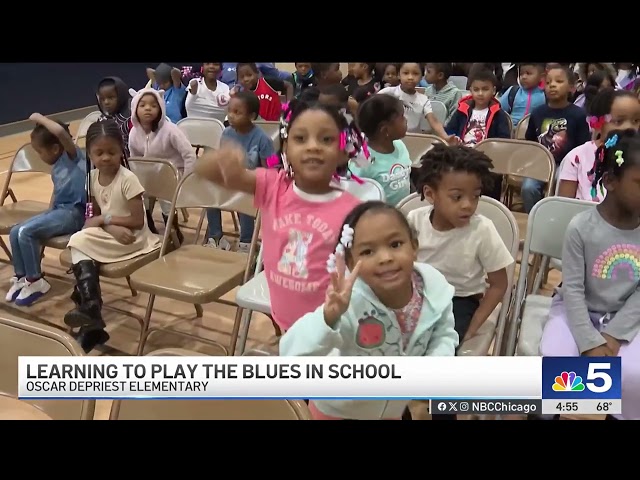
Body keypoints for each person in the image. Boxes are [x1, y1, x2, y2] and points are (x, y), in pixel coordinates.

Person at [195, 99, 367, 333]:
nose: (313, 146)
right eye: (300, 138)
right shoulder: (272, 186)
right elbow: (205, 172)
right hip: (284, 317)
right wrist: (222, 163)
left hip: (330, 326)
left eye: (326, 139)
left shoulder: (355, 212)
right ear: (285, 149)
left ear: (342, 152)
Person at [280, 201, 458, 420]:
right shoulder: (349, 303)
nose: (385, 258)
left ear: (414, 246)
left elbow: (444, 335)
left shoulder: (435, 288)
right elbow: (291, 355)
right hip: (338, 413)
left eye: (395, 244)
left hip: (393, 410)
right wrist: (328, 317)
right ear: (350, 261)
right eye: (367, 251)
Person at [540, 129, 640, 421]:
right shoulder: (581, 227)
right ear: (610, 181)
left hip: (626, 317)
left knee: (633, 377)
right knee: (556, 364)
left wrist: (612, 335)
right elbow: (571, 289)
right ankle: (550, 414)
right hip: (576, 312)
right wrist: (589, 341)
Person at [63, 120, 161, 353]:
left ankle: (92, 313)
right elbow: (93, 218)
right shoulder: (92, 178)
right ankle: (92, 314)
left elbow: (138, 221)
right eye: (99, 153)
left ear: (121, 151)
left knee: (78, 241)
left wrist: (105, 222)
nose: (105, 157)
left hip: (133, 237)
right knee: (80, 239)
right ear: (89, 153)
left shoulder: (128, 179)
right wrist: (105, 225)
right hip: (112, 234)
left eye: (111, 152)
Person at [410, 144, 513, 344]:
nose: (468, 205)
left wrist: (473, 328)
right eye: (457, 197)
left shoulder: (482, 229)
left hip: (460, 300)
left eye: (475, 196)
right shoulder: (414, 220)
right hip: (416, 294)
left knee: (437, 346)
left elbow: (499, 285)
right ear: (430, 194)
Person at [6, 114, 86, 306]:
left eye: (40, 151)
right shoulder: (57, 165)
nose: (39, 156)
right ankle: (22, 277)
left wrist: (40, 118)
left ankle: (36, 281)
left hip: (74, 214)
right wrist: (47, 213)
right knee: (16, 229)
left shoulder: (72, 156)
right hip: (59, 211)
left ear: (56, 148)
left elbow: (60, 132)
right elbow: (58, 192)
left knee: (26, 233)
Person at [205, 91, 274, 252]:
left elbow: (272, 168)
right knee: (210, 193)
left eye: (237, 112)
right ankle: (216, 237)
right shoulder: (226, 133)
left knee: (247, 196)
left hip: (252, 184)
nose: (231, 116)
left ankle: (246, 242)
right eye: (229, 111)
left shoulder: (262, 139)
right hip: (231, 180)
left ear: (252, 116)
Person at [128, 87, 197, 243]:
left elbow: (189, 155)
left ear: (160, 108)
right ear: (135, 109)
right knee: (138, 195)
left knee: (166, 199)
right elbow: (135, 160)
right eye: (142, 105)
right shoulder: (134, 134)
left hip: (173, 174)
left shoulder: (171, 130)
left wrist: (187, 179)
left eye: (153, 105)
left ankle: (172, 228)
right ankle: (148, 225)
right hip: (149, 176)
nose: (148, 109)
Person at [522, 64, 591, 213]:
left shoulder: (578, 114)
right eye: (548, 82)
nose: (552, 85)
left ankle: (555, 217)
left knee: (560, 185)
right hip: (541, 163)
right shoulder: (538, 112)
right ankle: (534, 217)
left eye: (559, 81)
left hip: (566, 165)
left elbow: (583, 146)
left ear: (571, 87)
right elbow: (531, 141)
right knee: (528, 188)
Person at [558, 88, 640, 202]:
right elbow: (563, 206)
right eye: (618, 121)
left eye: (636, 121)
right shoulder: (577, 158)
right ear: (597, 123)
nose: (629, 127)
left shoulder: (637, 156)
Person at [352, 94, 411, 206]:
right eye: (402, 116)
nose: (406, 120)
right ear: (385, 130)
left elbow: (407, 178)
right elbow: (353, 199)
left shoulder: (400, 145)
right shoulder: (362, 161)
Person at [378, 63, 456, 142]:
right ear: (399, 75)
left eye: (415, 74)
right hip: (390, 139)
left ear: (421, 77)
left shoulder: (423, 99)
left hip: (414, 141)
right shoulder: (387, 93)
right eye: (406, 73)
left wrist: (446, 137)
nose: (410, 77)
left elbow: (434, 121)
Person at [499, 63, 546, 129]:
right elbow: (499, 110)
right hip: (510, 133)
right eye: (521, 74)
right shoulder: (513, 92)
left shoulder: (546, 95)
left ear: (542, 77)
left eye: (528, 73)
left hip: (534, 134)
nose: (524, 77)